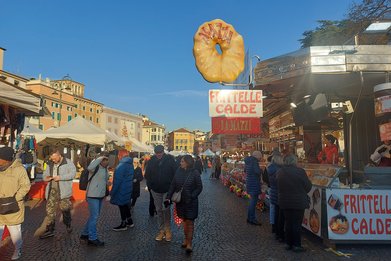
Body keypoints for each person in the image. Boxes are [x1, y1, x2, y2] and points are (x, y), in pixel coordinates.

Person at [166, 155, 203, 253]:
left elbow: (199, 187)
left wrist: (192, 196)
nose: (180, 163)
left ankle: (189, 243)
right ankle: (186, 239)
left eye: (182, 161)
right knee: (185, 222)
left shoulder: (195, 173)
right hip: (181, 202)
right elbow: (173, 184)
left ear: (187, 162)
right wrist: (168, 197)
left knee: (190, 222)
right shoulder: (178, 171)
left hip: (191, 202)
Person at [0, 147, 31, 260]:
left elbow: (26, 186)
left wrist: (15, 198)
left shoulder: (19, 169)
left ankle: (18, 250)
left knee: (15, 233)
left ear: (7, 159)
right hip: (0, 204)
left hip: (13, 206)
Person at [276, 154, 312, 252]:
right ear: (294, 161)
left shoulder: (280, 172)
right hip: (298, 202)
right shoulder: (300, 171)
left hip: (284, 201)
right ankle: (296, 245)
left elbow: (277, 185)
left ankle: (288, 243)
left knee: (288, 222)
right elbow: (308, 187)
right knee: (296, 224)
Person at [40, 149, 76, 239]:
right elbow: (44, 175)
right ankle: (50, 230)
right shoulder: (49, 163)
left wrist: (61, 177)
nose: (53, 160)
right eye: (52, 159)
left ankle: (68, 224)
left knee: (65, 210)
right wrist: (46, 178)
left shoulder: (68, 162)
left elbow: (73, 174)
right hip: (52, 190)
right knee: (50, 211)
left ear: (59, 156)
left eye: (55, 159)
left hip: (64, 191)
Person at [145, 145, 176, 242]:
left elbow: (175, 174)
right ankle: (161, 230)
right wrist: (150, 187)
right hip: (155, 190)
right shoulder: (151, 161)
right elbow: (147, 174)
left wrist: (172, 188)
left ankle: (168, 230)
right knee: (159, 210)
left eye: (160, 152)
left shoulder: (170, 160)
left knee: (166, 209)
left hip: (167, 191)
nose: (158, 154)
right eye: (157, 152)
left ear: (163, 151)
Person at [80, 154, 110, 247]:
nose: (106, 162)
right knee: (95, 216)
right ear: (100, 161)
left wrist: (107, 183)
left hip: (100, 195)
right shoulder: (94, 168)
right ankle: (92, 238)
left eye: (107, 160)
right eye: (104, 160)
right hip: (92, 195)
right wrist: (100, 157)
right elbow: (89, 167)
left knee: (94, 216)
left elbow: (105, 179)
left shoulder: (105, 169)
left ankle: (85, 234)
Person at [110, 153, 134, 231]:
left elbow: (117, 181)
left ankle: (123, 224)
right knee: (125, 204)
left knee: (122, 206)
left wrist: (112, 192)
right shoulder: (130, 164)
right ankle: (130, 221)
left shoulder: (121, 166)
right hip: (128, 187)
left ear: (120, 156)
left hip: (121, 189)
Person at [267, 152, 285, 241]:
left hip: (273, 192)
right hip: (279, 193)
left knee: (276, 212)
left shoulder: (270, 168)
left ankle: (276, 230)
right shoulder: (279, 170)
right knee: (281, 215)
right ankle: (280, 233)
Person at [244, 150, 263, 226]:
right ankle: (252, 219)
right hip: (254, 183)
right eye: (260, 157)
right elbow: (257, 171)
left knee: (251, 201)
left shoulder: (248, 161)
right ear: (257, 156)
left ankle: (249, 218)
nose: (260, 159)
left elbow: (245, 170)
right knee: (253, 202)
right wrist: (261, 170)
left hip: (250, 182)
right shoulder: (254, 162)